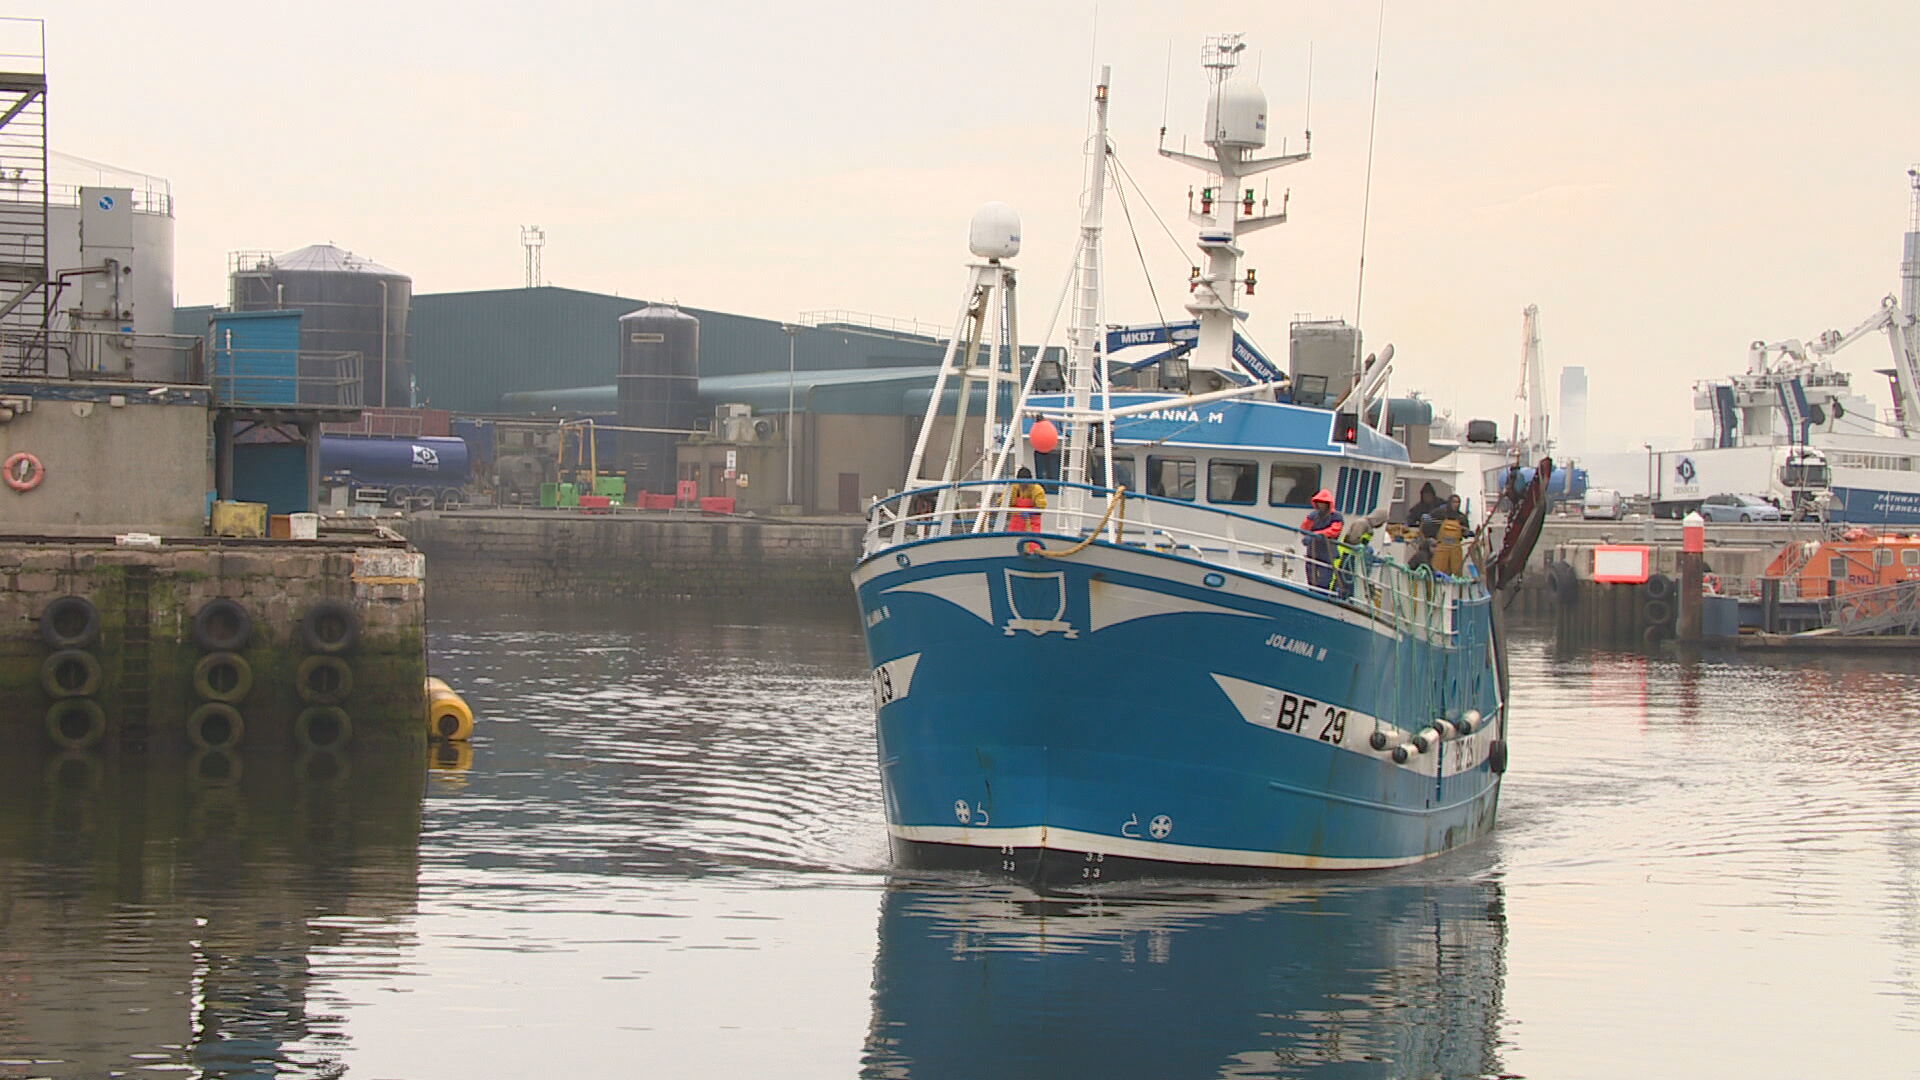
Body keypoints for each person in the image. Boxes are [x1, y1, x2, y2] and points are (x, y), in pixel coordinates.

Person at [1302, 488, 1345, 591]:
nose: (1321, 505)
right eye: (1319, 503)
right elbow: (1304, 529)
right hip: (1312, 551)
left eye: (1323, 503)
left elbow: (1334, 531)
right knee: (1311, 575)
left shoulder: (1336, 516)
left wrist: (1315, 534)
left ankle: (1323, 594)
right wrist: (1309, 522)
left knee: (1325, 578)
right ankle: (1312, 591)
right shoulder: (1313, 515)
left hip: (1328, 552)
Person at [1428, 494, 1475, 576]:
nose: (1456, 504)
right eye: (1454, 502)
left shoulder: (1462, 517)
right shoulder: (1439, 513)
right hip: (1441, 547)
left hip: (1455, 548)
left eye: (1458, 502)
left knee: (1456, 572)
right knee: (1438, 571)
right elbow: (1427, 522)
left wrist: (1467, 532)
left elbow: (1465, 534)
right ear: (1449, 502)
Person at [1008, 466, 1047, 532]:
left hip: (1032, 524)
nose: (1023, 485)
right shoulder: (1014, 488)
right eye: (1021, 482)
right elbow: (1005, 502)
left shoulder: (1037, 489)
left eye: (1025, 482)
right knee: (1013, 541)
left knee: (1032, 541)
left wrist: (1030, 512)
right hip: (1016, 523)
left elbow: (1041, 507)